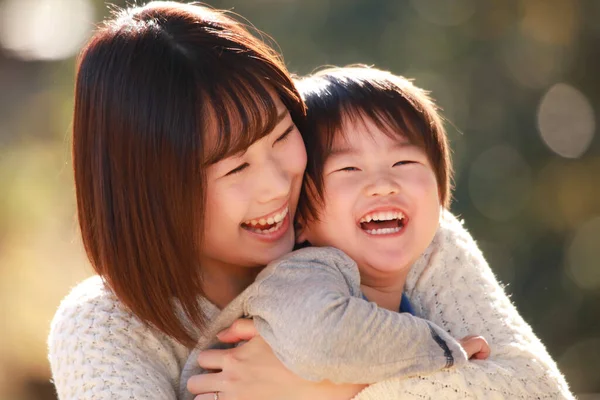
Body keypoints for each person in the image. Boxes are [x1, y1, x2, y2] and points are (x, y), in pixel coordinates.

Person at [47, 2, 573, 399]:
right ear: (153, 193)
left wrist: (327, 390)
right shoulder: (102, 327)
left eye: (281, 135)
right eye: (235, 167)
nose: (279, 183)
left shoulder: (395, 233)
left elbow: (534, 387)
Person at [179, 66, 492, 400]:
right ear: (299, 218)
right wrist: (447, 354)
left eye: (404, 163)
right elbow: (325, 338)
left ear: (441, 197)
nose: (383, 186)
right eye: (349, 169)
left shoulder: (413, 299)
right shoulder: (300, 275)